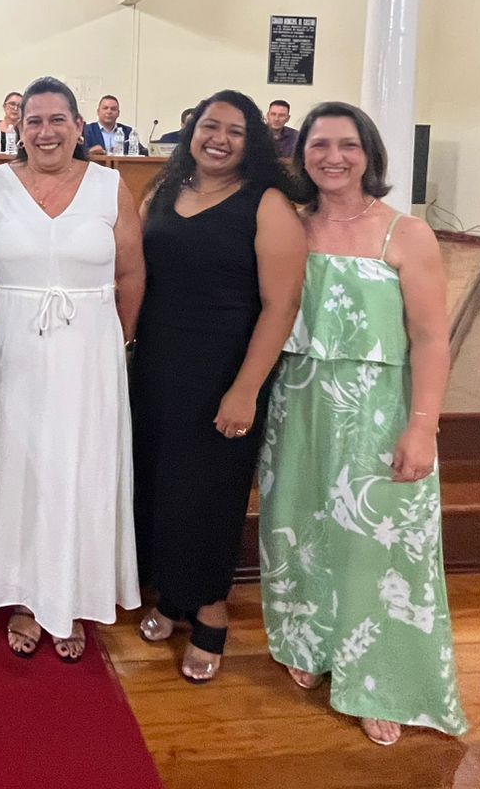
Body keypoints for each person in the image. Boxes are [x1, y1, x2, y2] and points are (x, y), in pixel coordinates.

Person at [258, 101, 467, 744]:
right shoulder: (290, 227)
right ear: (302, 156)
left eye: (348, 145)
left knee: (380, 542)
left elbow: (431, 337)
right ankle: (309, 640)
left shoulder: (406, 233)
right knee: (301, 524)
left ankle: (382, 680)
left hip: (376, 406)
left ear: (369, 154)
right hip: (297, 400)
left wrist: (423, 425)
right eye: (319, 145)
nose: (333, 157)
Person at [0, 76, 144, 662]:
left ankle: (72, 596)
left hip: (88, 355)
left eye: (58, 119)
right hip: (13, 352)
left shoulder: (110, 186)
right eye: (33, 120)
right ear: (18, 127)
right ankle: (25, 595)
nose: (45, 131)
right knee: (20, 470)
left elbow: (131, 273)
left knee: (79, 471)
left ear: (78, 127)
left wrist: (120, 341)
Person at [131, 92, 305, 684]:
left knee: (209, 494)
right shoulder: (164, 190)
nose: (219, 139)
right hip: (156, 365)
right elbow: (131, 269)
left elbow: (281, 305)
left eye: (235, 130)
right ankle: (171, 596)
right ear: (192, 131)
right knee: (160, 484)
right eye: (210, 126)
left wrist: (246, 389)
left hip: (223, 371)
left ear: (251, 142)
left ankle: (210, 610)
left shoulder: (267, 204)